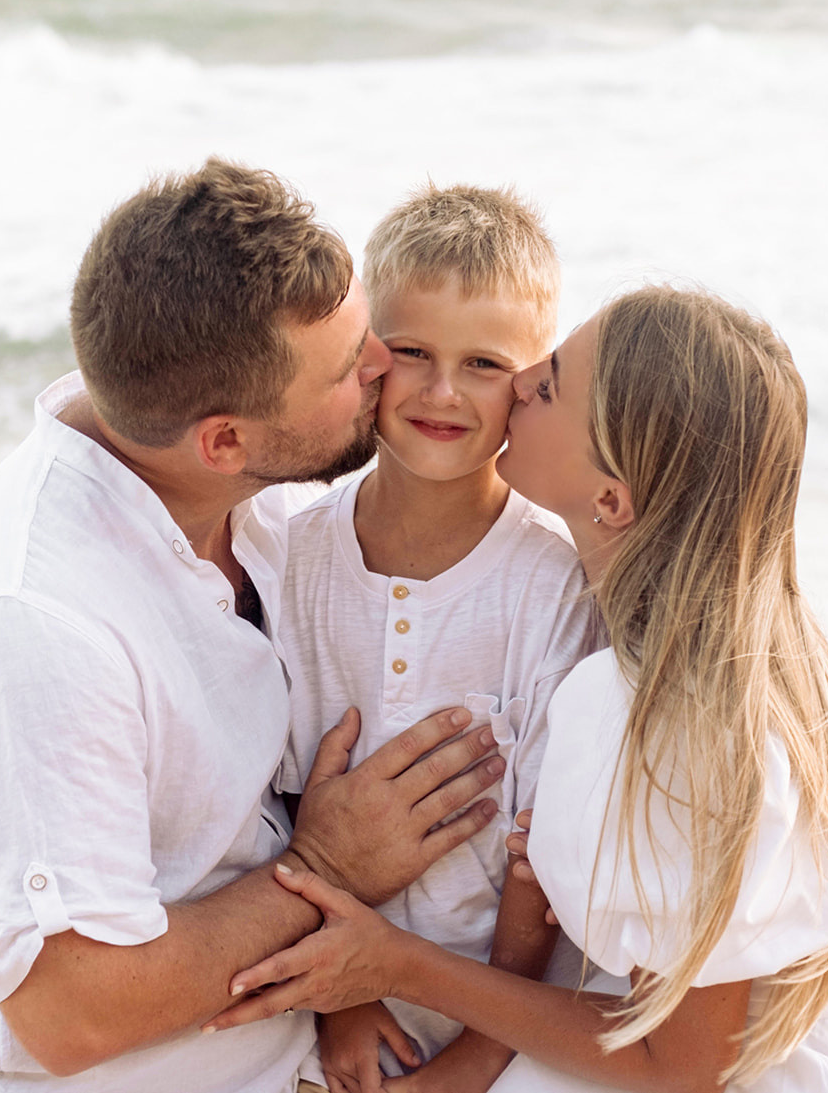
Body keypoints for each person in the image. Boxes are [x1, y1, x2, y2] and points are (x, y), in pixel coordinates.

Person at [0, 158, 511, 1093]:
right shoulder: (34, 623)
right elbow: (74, 1010)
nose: (382, 366)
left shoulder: (249, 498)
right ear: (224, 440)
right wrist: (327, 866)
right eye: (346, 368)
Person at [207, 285, 828, 1093]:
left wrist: (396, 964)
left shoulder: (664, 714)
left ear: (610, 499)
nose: (522, 378)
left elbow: (685, 1065)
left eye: (552, 383)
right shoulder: (723, 652)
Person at [275, 184, 621, 1093]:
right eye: (414, 352)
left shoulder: (552, 583)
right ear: (367, 353)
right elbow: (280, 804)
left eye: (483, 364)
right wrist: (342, 1000)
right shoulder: (293, 557)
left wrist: (474, 1059)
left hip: (505, 1020)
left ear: (531, 381)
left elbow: (538, 854)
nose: (441, 392)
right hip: (326, 1000)